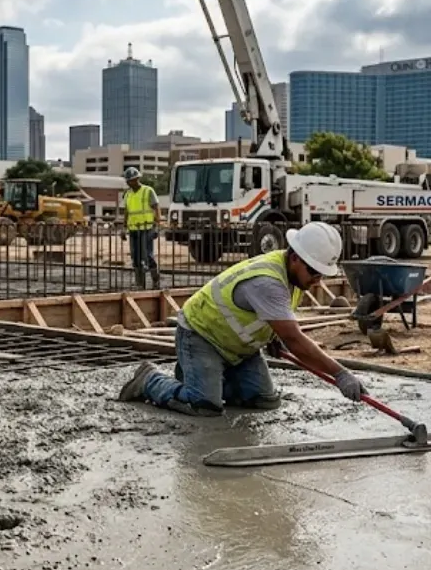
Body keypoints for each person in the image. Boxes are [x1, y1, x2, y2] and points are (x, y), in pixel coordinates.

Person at [113, 222, 366, 415]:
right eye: (313, 271)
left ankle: (200, 378)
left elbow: (277, 323)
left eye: (322, 274)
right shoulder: (268, 281)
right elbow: (295, 340)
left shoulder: (295, 277)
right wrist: (340, 373)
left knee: (265, 401)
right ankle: (150, 379)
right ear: (295, 257)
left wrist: (273, 334)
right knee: (204, 406)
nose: (317, 279)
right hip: (202, 337)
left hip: (237, 348)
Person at [122, 167, 161, 289]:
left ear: (138, 178)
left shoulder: (148, 191)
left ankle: (155, 280)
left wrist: (157, 226)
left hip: (146, 228)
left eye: (133, 180)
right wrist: (124, 228)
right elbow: (127, 212)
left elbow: (156, 208)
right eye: (129, 181)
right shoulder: (127, 194)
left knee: (147, 255)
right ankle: (140, 284)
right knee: (135, 257)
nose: (131, 183)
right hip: (133, 229)